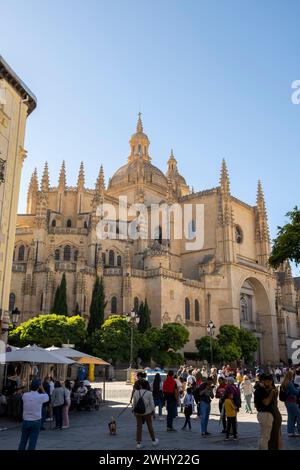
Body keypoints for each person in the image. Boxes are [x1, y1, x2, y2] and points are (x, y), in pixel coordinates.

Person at [18, 379, 49, 450]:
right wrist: (42, 388)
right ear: (38, 387)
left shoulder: (25, 395)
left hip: (26, 421)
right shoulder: (40, 397)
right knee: (32, 442)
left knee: (23, 441)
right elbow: (47, 397)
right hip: (36, 421)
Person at [132, 380, 159, 449]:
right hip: (147, 412)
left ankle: (138, 443)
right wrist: (153, 412)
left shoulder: (136, 392)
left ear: (140, 386)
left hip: (138, 412)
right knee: (150, 426)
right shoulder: (149, 393)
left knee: (139, 427)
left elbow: (134, 403)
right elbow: (152, 404)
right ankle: (153, 440)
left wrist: (133, 411)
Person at [254, 373, 277, 450]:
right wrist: (271, 393)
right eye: (268, 381)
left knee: (263, 436)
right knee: (265, 437)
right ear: (263, 381)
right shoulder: (260, 390)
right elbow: (266, 402)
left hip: (264, 414)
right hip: (265, 414)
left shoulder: (260, 389)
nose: (270, 383)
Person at [280, 370, 300, 437]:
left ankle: (290, 432)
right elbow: (295, 392)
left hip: (287, 401)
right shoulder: (290, 383)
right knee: (299, 415)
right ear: (291, 376)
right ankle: (299, 431)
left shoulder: (284, 383)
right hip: (292, 401)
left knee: (291, 417)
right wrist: (299, 388)